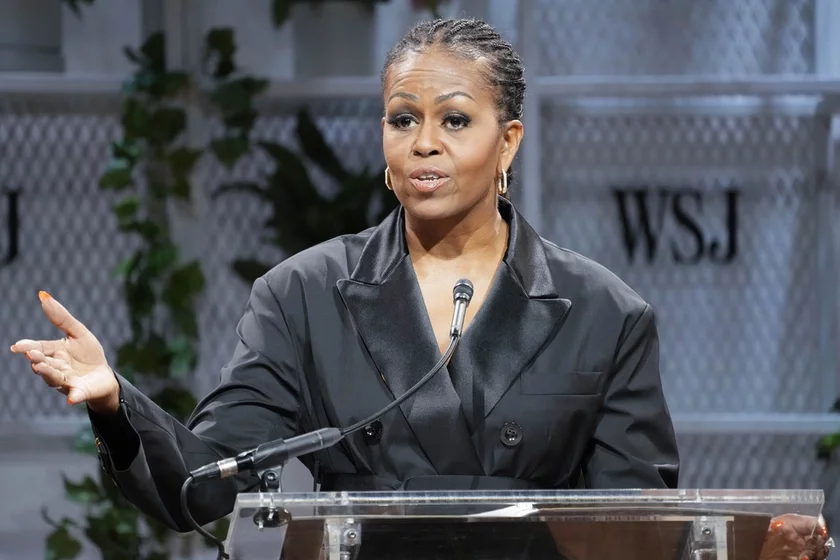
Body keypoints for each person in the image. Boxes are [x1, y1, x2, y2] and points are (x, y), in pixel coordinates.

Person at [10, 17, 830, 560]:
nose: (424, 144)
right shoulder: (303, 294)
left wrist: (752, 551)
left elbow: (633, 531)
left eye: (455, 120)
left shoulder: (604, 311)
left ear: (508, 141)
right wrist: (115, 402)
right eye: (403, 119)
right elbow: (207, 482)